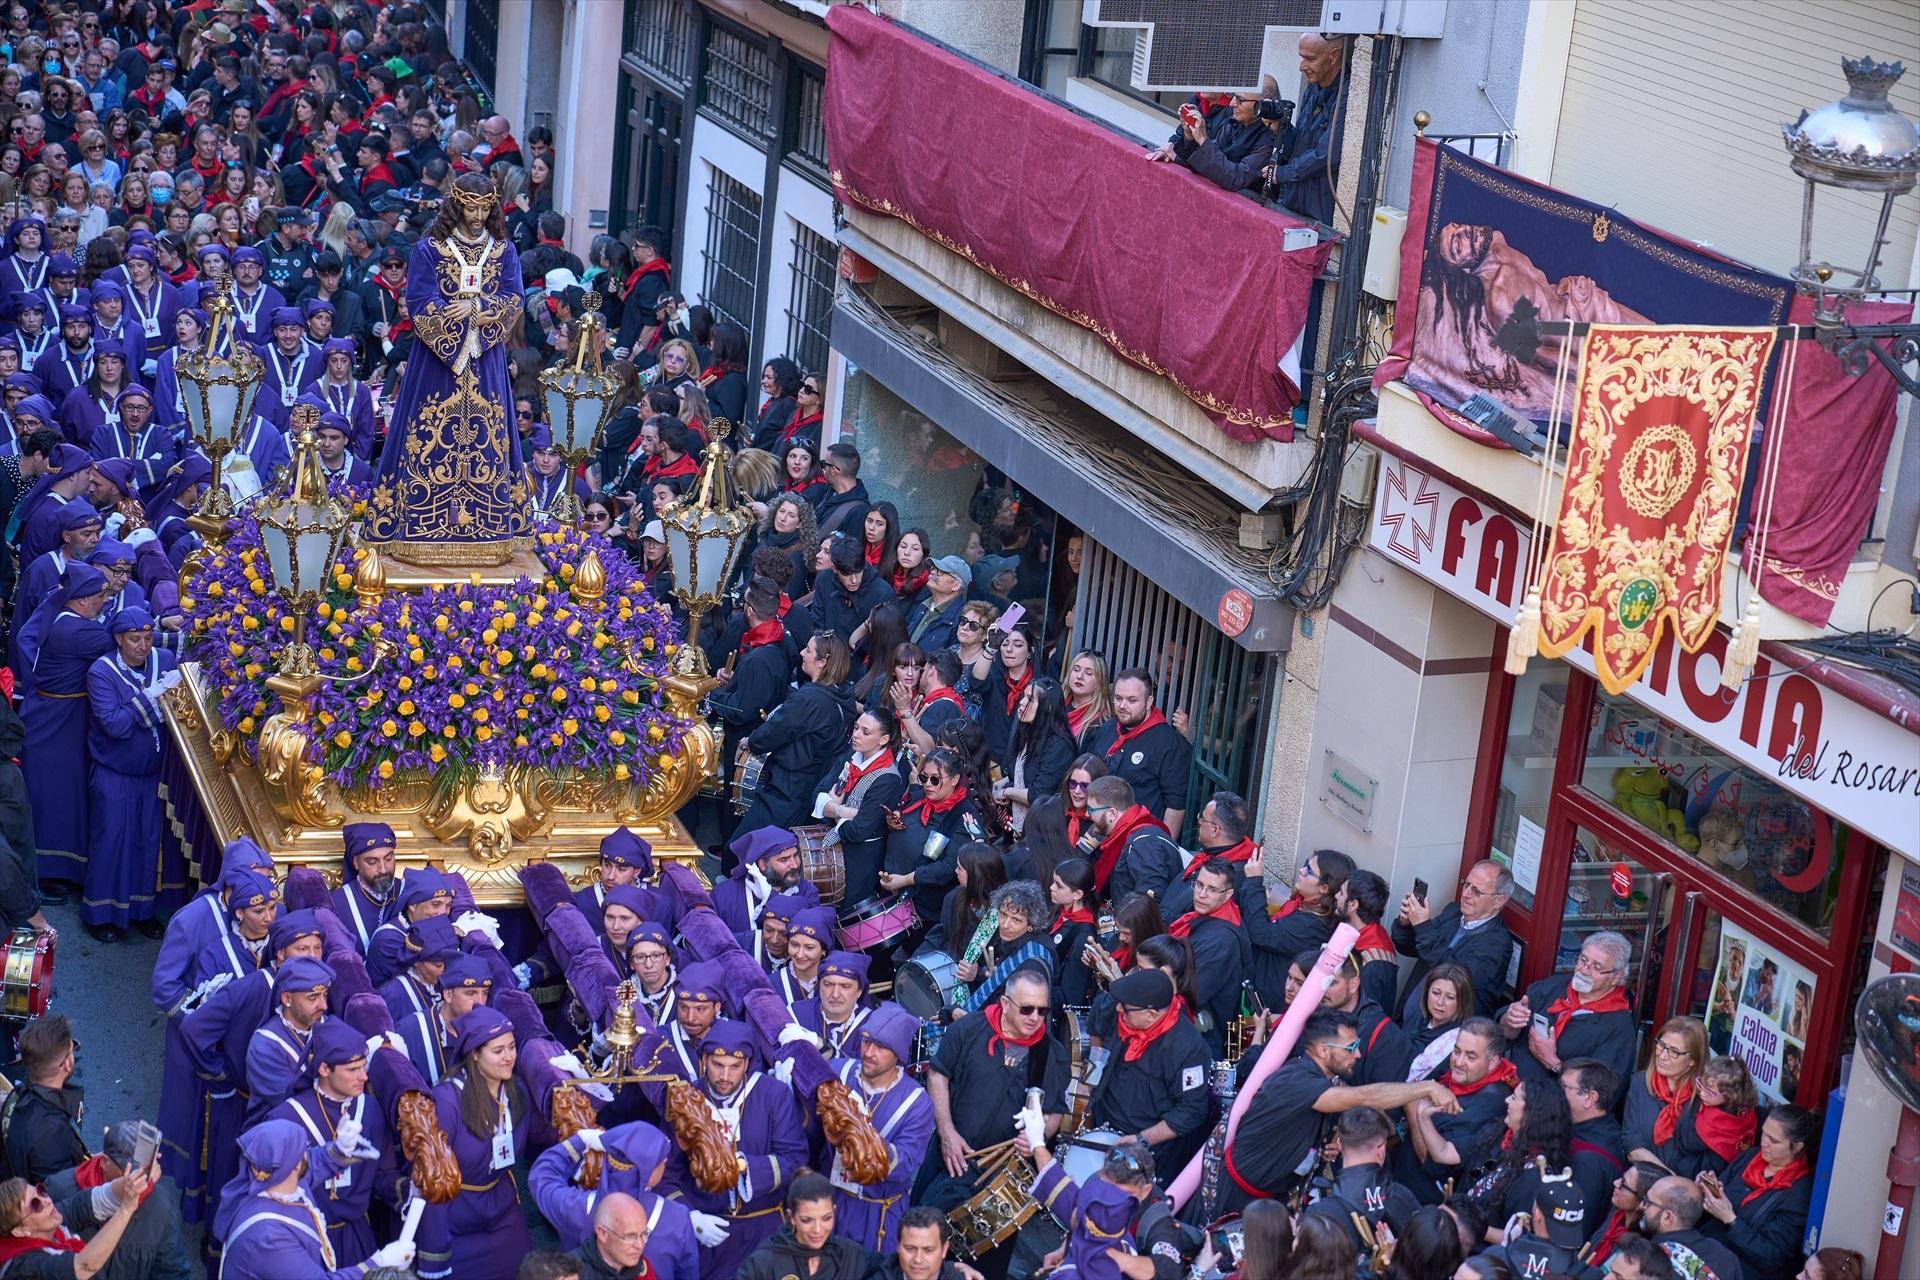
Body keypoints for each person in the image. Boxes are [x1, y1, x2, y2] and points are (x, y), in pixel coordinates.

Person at [363, 172, 528, 559]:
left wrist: (478, 311)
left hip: (485, 360)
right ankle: (418, 525)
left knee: (488, 438)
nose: (478, 214)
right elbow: (419, 301)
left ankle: (488, 528)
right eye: (471, 206)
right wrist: (456, 339)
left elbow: (514, 298)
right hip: (437, 362)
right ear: (456, 204)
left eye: (485, 207)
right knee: (425, 433)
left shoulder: (503, 250)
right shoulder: (429, 249)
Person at [1220, 1009, 1457, 1214]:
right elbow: (1365, 1097)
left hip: (1265, 1198)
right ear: (1323, 1051)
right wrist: (1426, 1087)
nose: (1358, 1055)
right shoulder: (1297, 1081)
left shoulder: (1317, 1080)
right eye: (1351, 1048)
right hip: (1234, 1198)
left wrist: (1316, 1150)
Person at [415, 1007, 558, 1280]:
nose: (509, 1057)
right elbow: (430, 1177)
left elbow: (542, 1134)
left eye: (512, 1047)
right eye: (498, 1050)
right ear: (475, 1055)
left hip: (503, 1212)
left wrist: (577, 1094)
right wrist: (434, 1254)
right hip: (457, 1217)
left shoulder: (516, 1089)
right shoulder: (447, 1101)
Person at [664, 1020, 807, 1280]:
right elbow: (666, 1174)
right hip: (708, 1233)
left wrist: (742, 1165)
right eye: (718, 1065)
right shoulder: (686, 1100)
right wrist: (690, 1217)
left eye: (735, 1067)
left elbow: (794, 1159)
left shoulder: (773, 1095)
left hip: (763, 1233)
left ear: (748, 1065)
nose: (725, 1076)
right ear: (704, 1060)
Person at [265, 1020, 402, 1265]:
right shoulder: (286, 1118)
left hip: (356, 1236)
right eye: (353, 1070)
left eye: (364, 1066)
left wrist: (409, 1190)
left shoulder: (369, 1108)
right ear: (324, 1069)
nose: (364, 1076)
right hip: (304, 1241)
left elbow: (383, 1175)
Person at [211, 1120, 415, 1278]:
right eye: (303, 1150)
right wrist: (379, 1262)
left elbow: (315, 1162)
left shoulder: (277, 1179)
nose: (308, 1153)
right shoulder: (268, 1237)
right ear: (295, 1166)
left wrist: (340, 1148)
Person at [79, 605, 173, 940]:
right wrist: (151, 699)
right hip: (113, 772)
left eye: (148, 638)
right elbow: (115, 725)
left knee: (147, 843)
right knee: (111, 841)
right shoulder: (101, 672)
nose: (143, 645)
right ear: (119, 639)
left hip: (151, 774)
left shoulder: (164, 660)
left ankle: (141, 911)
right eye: (134, 639)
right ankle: (100, 915)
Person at [819, 1003, 932, 1252]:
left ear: (898, 1054)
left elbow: (906, 1163)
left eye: (881, 1047)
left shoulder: (916, 1101)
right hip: (831, 1203)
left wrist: (863, 1136)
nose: (869, 1052)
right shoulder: (839, 1072)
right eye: (866, 1041)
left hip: (878, 1215)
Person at [529, 1121, 696, 1280]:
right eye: (662, 1161)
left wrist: (580, 1141)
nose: (666, 1162)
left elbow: (542, 1177)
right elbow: (688, 1274)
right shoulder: (677, 1218)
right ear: (649, 1173)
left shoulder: (575, 1208)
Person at [1087, 968, 1210, 1180]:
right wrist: (1089, 1079)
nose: (1118, 1009)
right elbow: (1097, 1029)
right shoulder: (1124, 1015)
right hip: (1103, 1128)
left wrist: (1140, 1139)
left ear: (1151, 1014)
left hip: (1149, 1153)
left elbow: (1191, 1111)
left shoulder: (1188, 1049)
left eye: (1126, 1009)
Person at [739, 631, 858, 835]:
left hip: (786, 791)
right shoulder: (844, 693)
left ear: (822, 663)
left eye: (809, 650)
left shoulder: (808, 699)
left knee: (746, 850)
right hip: (810, 789)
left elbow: (771, 734)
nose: (802, 653)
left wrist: (749, 741)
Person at [1499, 931, 1636, 1104]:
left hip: (1552, 1115)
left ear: (1616, 977)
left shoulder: (1618, 1027)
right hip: (1509, 1089)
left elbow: (1603, 1094)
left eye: (1596, 967)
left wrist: (1554, 1063)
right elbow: (1505, 1033)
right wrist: (1510, 1021)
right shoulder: (1555, 985)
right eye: (1583, 960)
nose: (1584, 970)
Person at [1400, 1016, 1518, 1202]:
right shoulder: (1461, 1076)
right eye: (1456, 1051)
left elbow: (1432, 1163)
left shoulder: (1490, 1105)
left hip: (1422, 1199)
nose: (1459, 1062)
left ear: (1493, 1062)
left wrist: (1413, 1110)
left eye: (1471, 1056)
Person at [1697, 1106, 1815, 1280]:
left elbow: (1772, 1256)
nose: (1764, 1142)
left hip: (1737, 1271)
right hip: (1706, 1247)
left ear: (1797, 1147)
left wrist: (1730, 1219)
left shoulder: (1799, 1194)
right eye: (1764, 1133)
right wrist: (1708, 1189)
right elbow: (1718, 1195)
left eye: (1774, 1141)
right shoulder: (1750, 1156)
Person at [878, 746, 984, 938]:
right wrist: (893, 824)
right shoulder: (920, 796)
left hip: (925, 909)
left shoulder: (965, 816)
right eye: (923, 778)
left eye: (935, 779)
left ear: (955, 780)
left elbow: (949, 866)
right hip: (893, 892)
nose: (928, 784)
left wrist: (906, 880)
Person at [1393, 860, 1515, 1023]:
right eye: (1466, 885)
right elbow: (1412, 948)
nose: (1466, 894)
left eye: (1477, 891)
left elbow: (1453, 976)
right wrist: (1406, 923)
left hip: (1446, 1033)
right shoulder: (1453, 911)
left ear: (1499, 901)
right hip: (1409, 1017)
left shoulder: (1497, 943)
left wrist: (1422, 926)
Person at [1235, 845, 1347, 1014]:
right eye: (1305, 865)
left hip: (1266, 1007)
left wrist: (1253, 881)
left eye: (1308, 870)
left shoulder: (1313, 925)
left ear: (1324, 888)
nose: (1301, 871)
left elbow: (1260, 933)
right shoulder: (1303, 905)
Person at [0, 1158, 156, 1279]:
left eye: (40, 1191)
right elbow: (84, 1266)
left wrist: (138, 1176)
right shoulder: (25, 1269)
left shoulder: (53, 1219)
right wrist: (126, 1209)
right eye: (35, 1205)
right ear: (21, 1230)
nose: (46, 1201)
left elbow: (95, 1201)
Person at [815, 708, 907, 905]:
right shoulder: (851, 756)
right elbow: (816, 794)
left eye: (865, 732)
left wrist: (830, 808)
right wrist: (842, 811)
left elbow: (859, 830)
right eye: (856, 728)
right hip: (833, 849)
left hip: (858, 861)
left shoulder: (888, 779)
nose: (856, 735)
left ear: (883, 740)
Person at [1083, 670, 1191, 831]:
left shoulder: (1168, 743)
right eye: (1118, 698)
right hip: (1095, 830)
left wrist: (1160, 848)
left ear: (1148, 702)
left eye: (1132, 700)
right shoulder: (1107, 728)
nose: (1123, 706)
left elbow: (1175, 804)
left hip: (1136, 839)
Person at [1165, 858, 1250, 1056]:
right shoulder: (1213, 918)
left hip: (1201, 1041)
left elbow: (1192, 995)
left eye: (1212, 889)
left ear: (1228, 894)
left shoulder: (1221, 942)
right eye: (1199, 885)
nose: (1201, 894)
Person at [1268, 34, 1348, 226]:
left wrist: (1283, 173)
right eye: (1301, 57)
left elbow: (1327, 155)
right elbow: (1301, 141)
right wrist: (1280, 129)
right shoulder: (1313, 87)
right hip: (1292, 199)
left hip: (1318, 209)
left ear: (1334, 56)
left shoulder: (1347, 94)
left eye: (1310, 59)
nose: (1301, 66)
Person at [734, 1173, 875, 1280]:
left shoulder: (849, 1254)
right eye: (807, 1220)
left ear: (834, 1210)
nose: (818, 1230)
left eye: (826, 1218)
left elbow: (891, 1268)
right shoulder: (764, 1262)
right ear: (792, 1217)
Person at [0, 1015, 88, 1183]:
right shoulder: (52, 1133)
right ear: (66, 1064)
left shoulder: (15, 1096)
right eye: (73, 1049)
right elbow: (60, 1197)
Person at [1081, 775, 1180, 904]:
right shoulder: (1130, 835)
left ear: (1112, 813)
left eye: (1090, 809)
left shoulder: (1144, 844)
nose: (1086, 814)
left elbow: (1149, 905)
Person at [1560, 1058, 1628, 1239]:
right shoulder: (1603, 1128)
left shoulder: (1589, 1161)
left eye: (1565, 1087)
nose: (1557, 1092)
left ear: (1590, 1098)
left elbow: (1572, 1230)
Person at [1624, 1016, 1708, 1156]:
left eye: (1674, 1052)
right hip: (1644, 1173)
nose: (1662, 1056)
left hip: (1685, 1177)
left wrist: (1675, 1178)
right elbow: (1631, 1142)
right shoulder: (1641, 1083)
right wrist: (1667, 1177)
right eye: (1661, 1045)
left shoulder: (1705, 1098)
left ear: (1693, 1060)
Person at [1638, 1175, 1745, 1280]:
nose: (1641, 1206)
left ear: (1667, 1217)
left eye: (1648, 1202)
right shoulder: (1727, 1258)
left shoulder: (1649, 1262)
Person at [905, 556, 968, 654]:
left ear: (956, 585)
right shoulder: (922, 604)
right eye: (933, 568)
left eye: (941, 572)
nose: (933, 572)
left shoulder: (961, 620)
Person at [814, 441, 870, 539]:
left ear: (833, 471)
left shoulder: (859, 512)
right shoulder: (826, 494)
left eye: (824, 464)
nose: (823, 469)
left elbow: (851, 551)